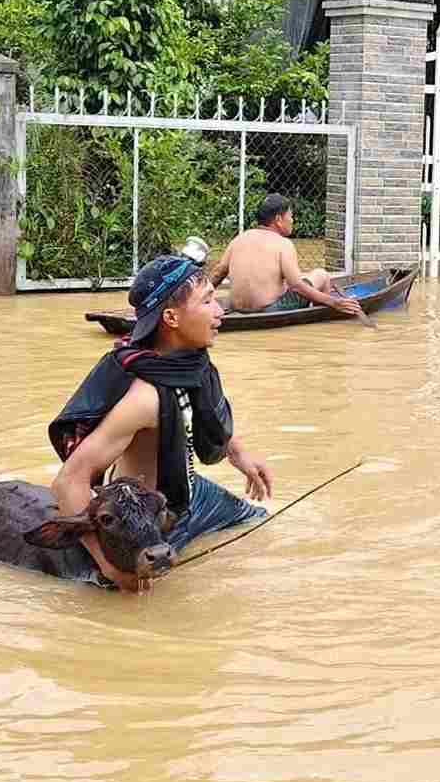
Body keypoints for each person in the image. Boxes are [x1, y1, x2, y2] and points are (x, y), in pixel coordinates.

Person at [47, 250, 275, 591]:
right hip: (149, 521)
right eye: (208, 301)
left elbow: (197, 415)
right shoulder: (145, 398)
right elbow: (69, 482)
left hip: (189, 494)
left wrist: (239, 454)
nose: (219, 311)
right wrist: (110, 566)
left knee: (260, 525)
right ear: (171, 318)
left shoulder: (187, 364)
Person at [209, 193, 362, 316]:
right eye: (290, 216)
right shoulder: (283, 244)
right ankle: (319, 316)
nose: (292, 220)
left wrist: (199, 299)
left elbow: (217, 274)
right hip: (268, 310)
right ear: (278, 219)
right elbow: (297, 287)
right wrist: (333, 302)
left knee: (289, 281)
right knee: (321, 274)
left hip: (237, 308)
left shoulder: (239, 239)